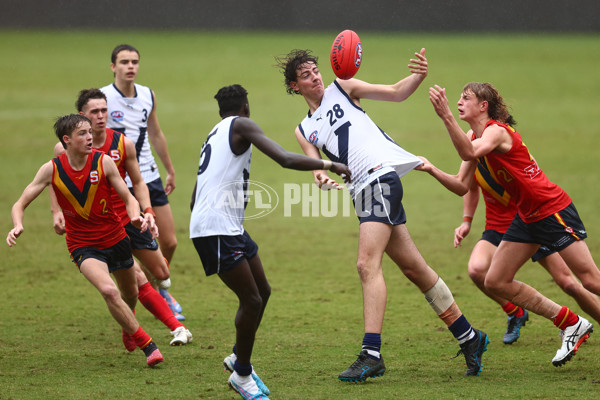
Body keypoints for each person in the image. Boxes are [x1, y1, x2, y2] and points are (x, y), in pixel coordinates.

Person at [276, 48, 488, 380]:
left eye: (316, 70)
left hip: (379, 178)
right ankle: (470, 337)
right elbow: (314, 161)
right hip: (360, 190)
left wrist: (418, 75)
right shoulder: (303, 130)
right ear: (294, 87)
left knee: (366, 264)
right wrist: (319, 175)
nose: (315, 77)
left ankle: (371, 354)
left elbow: (394, 92)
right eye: (306, 75)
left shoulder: (343, 87)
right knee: (414, 268)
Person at [190, 84, 350, 399]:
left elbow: (196, 193)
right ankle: (242, 375)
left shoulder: (215, 132)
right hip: (217, 228)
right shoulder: (242, 125)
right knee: (251, 300)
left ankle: (238, 356)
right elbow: (284, 159)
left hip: (227, 226)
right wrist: (329, 164)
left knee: (262, 291)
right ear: (245, 106)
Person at [428, 81, 596, 366]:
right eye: (458, 98)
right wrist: (430, 168)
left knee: (588, 280)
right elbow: (460, 186)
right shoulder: (473, 134)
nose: (459, 101)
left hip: (551, 209)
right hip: (527, 216)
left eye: (465, 98)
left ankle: (573, 324)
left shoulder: (495, 131)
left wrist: (445, 116)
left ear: (483, 106)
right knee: (495, 280)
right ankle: (571, 324)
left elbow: (469, 152)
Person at [7, 114, 163, 367]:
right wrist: (17, 224)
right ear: (66, 140)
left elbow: (128, 196)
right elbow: (20, 202)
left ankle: (128, 323)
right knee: (109, 291)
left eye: (90, 132)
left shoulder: (104, 162)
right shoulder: (52, 169)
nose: (90, 137)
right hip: (83, 245)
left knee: (129, 295)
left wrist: (135, 215)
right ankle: (149, 345)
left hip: (116, 238)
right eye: (83, 133)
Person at [50, 89, 192, 347]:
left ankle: (132, 310)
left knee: (160, 271)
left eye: (105, 110)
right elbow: (55, 178)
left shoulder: (121, 143)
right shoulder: (65, 147)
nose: (102, 116)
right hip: (100, 224)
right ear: (82, 116)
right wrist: (56, 211)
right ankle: (170, 328)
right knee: (135, 277)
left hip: (128, 217)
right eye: (95, 112)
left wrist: (146, 211)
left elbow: (137, 183)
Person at [416, 154, 600, 344]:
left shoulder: (502, 142)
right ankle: (515, 312)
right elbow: (468, 185)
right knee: (477, 271)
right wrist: (467, 221)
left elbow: (535, 180)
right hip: (498, 226)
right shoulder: (471, 145)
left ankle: (580, 324)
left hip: (532, 222)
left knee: (569, 283)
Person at [100, 44, 184, 320]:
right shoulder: (103, 98)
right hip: (117, 181)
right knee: (127, 243)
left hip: (148, 175)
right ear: (113, 66)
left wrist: (169, 168)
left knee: (169, 241)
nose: (130, 66)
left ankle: (155, 288)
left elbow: (156, 133)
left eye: (134, 61)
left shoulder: (148, 95)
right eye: (124, 62)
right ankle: (147, 292)